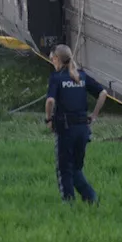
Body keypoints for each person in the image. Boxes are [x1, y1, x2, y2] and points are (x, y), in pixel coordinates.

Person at [44, 44, 107, 204]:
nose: (52, 62)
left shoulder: (56, 78)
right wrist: (94, 115)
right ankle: (91, 198)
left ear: (57, 59)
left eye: (52, 59)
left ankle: (69, 203)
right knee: (76, 168)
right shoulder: (81, 76)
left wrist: (49, 119)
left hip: (65, 129)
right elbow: (103, 93)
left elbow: (50, 100)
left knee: (64, 169)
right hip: (82, 129)